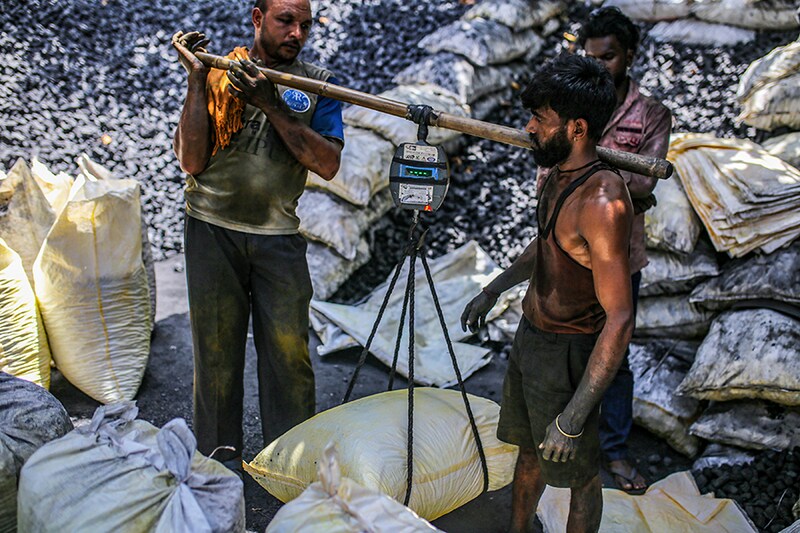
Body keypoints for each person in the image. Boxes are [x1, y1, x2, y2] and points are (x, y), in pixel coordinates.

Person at [461, 54, 634, 533]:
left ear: (577, 128)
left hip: (570, 355)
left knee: (580, 477)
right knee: (530, 452)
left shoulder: (603, 203)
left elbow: (620, 317)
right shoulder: (558, 174)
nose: (530, 127)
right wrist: (494, 288)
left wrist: (573, 416)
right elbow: (546, 246)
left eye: (541, 119)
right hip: (532, 339)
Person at [171, 0, 344, 473]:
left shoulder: (315, 86)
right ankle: (217, 467)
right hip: (211, 230)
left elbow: (327, 164)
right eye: (286, 20)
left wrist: (269, 102)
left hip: (277, 237)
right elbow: (190, 161)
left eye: (305, 25)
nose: (297, 33)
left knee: (289, 359)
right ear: (256, 18)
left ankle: (288, 468)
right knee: (216, 356)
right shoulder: (218, 73)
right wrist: (194, 78)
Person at [578, 6, 673, 494]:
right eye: (590, 57)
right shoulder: (574, 104)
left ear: (630, 56)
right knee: (565, 344)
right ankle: (568, 437)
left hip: (620, 255)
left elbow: (643, 180)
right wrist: (614, 185)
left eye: (609, 58)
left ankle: (613, 449)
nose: (598, 68)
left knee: (615, 352)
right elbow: (548, 175)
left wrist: (584, 178)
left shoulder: (651, 115)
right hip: (569, 251)